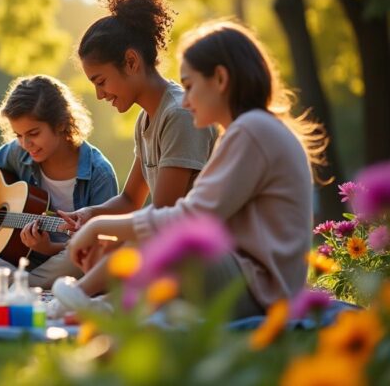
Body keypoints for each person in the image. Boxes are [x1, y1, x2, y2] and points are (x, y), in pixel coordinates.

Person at [67, 20, 327, 318]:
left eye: (190, 86)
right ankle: (101, 307)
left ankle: (90, 301)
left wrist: (100, 226)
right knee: (152, 242)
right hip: (253, 281)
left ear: (219, 79)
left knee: (173, 240)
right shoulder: (247, 131)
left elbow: (185, 218)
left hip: (262, 289)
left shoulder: (251, 131)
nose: (186, 101)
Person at [54, 0, 216, 301]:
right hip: (166, 244)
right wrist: (92, 216)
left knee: (114, 253)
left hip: (199, 255)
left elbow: (161, 215)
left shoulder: (179, 114)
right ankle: (90, 294)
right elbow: (130, 200)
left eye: (101, 82)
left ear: (131, 61)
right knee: (102, 251)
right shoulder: (146, 121)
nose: (99, 95)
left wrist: (105, 237)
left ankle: (80, 295)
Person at [0, 75, 118, 291]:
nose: (26, 143)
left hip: (65, 259)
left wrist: (47, 247)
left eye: (34, 133)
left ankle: (4, 284)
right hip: (18, 259)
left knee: (80, 252)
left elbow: (103, 242)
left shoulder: (99, 173)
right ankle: (27, 286)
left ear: (61, 124)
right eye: (18, 135)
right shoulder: (19, 153)